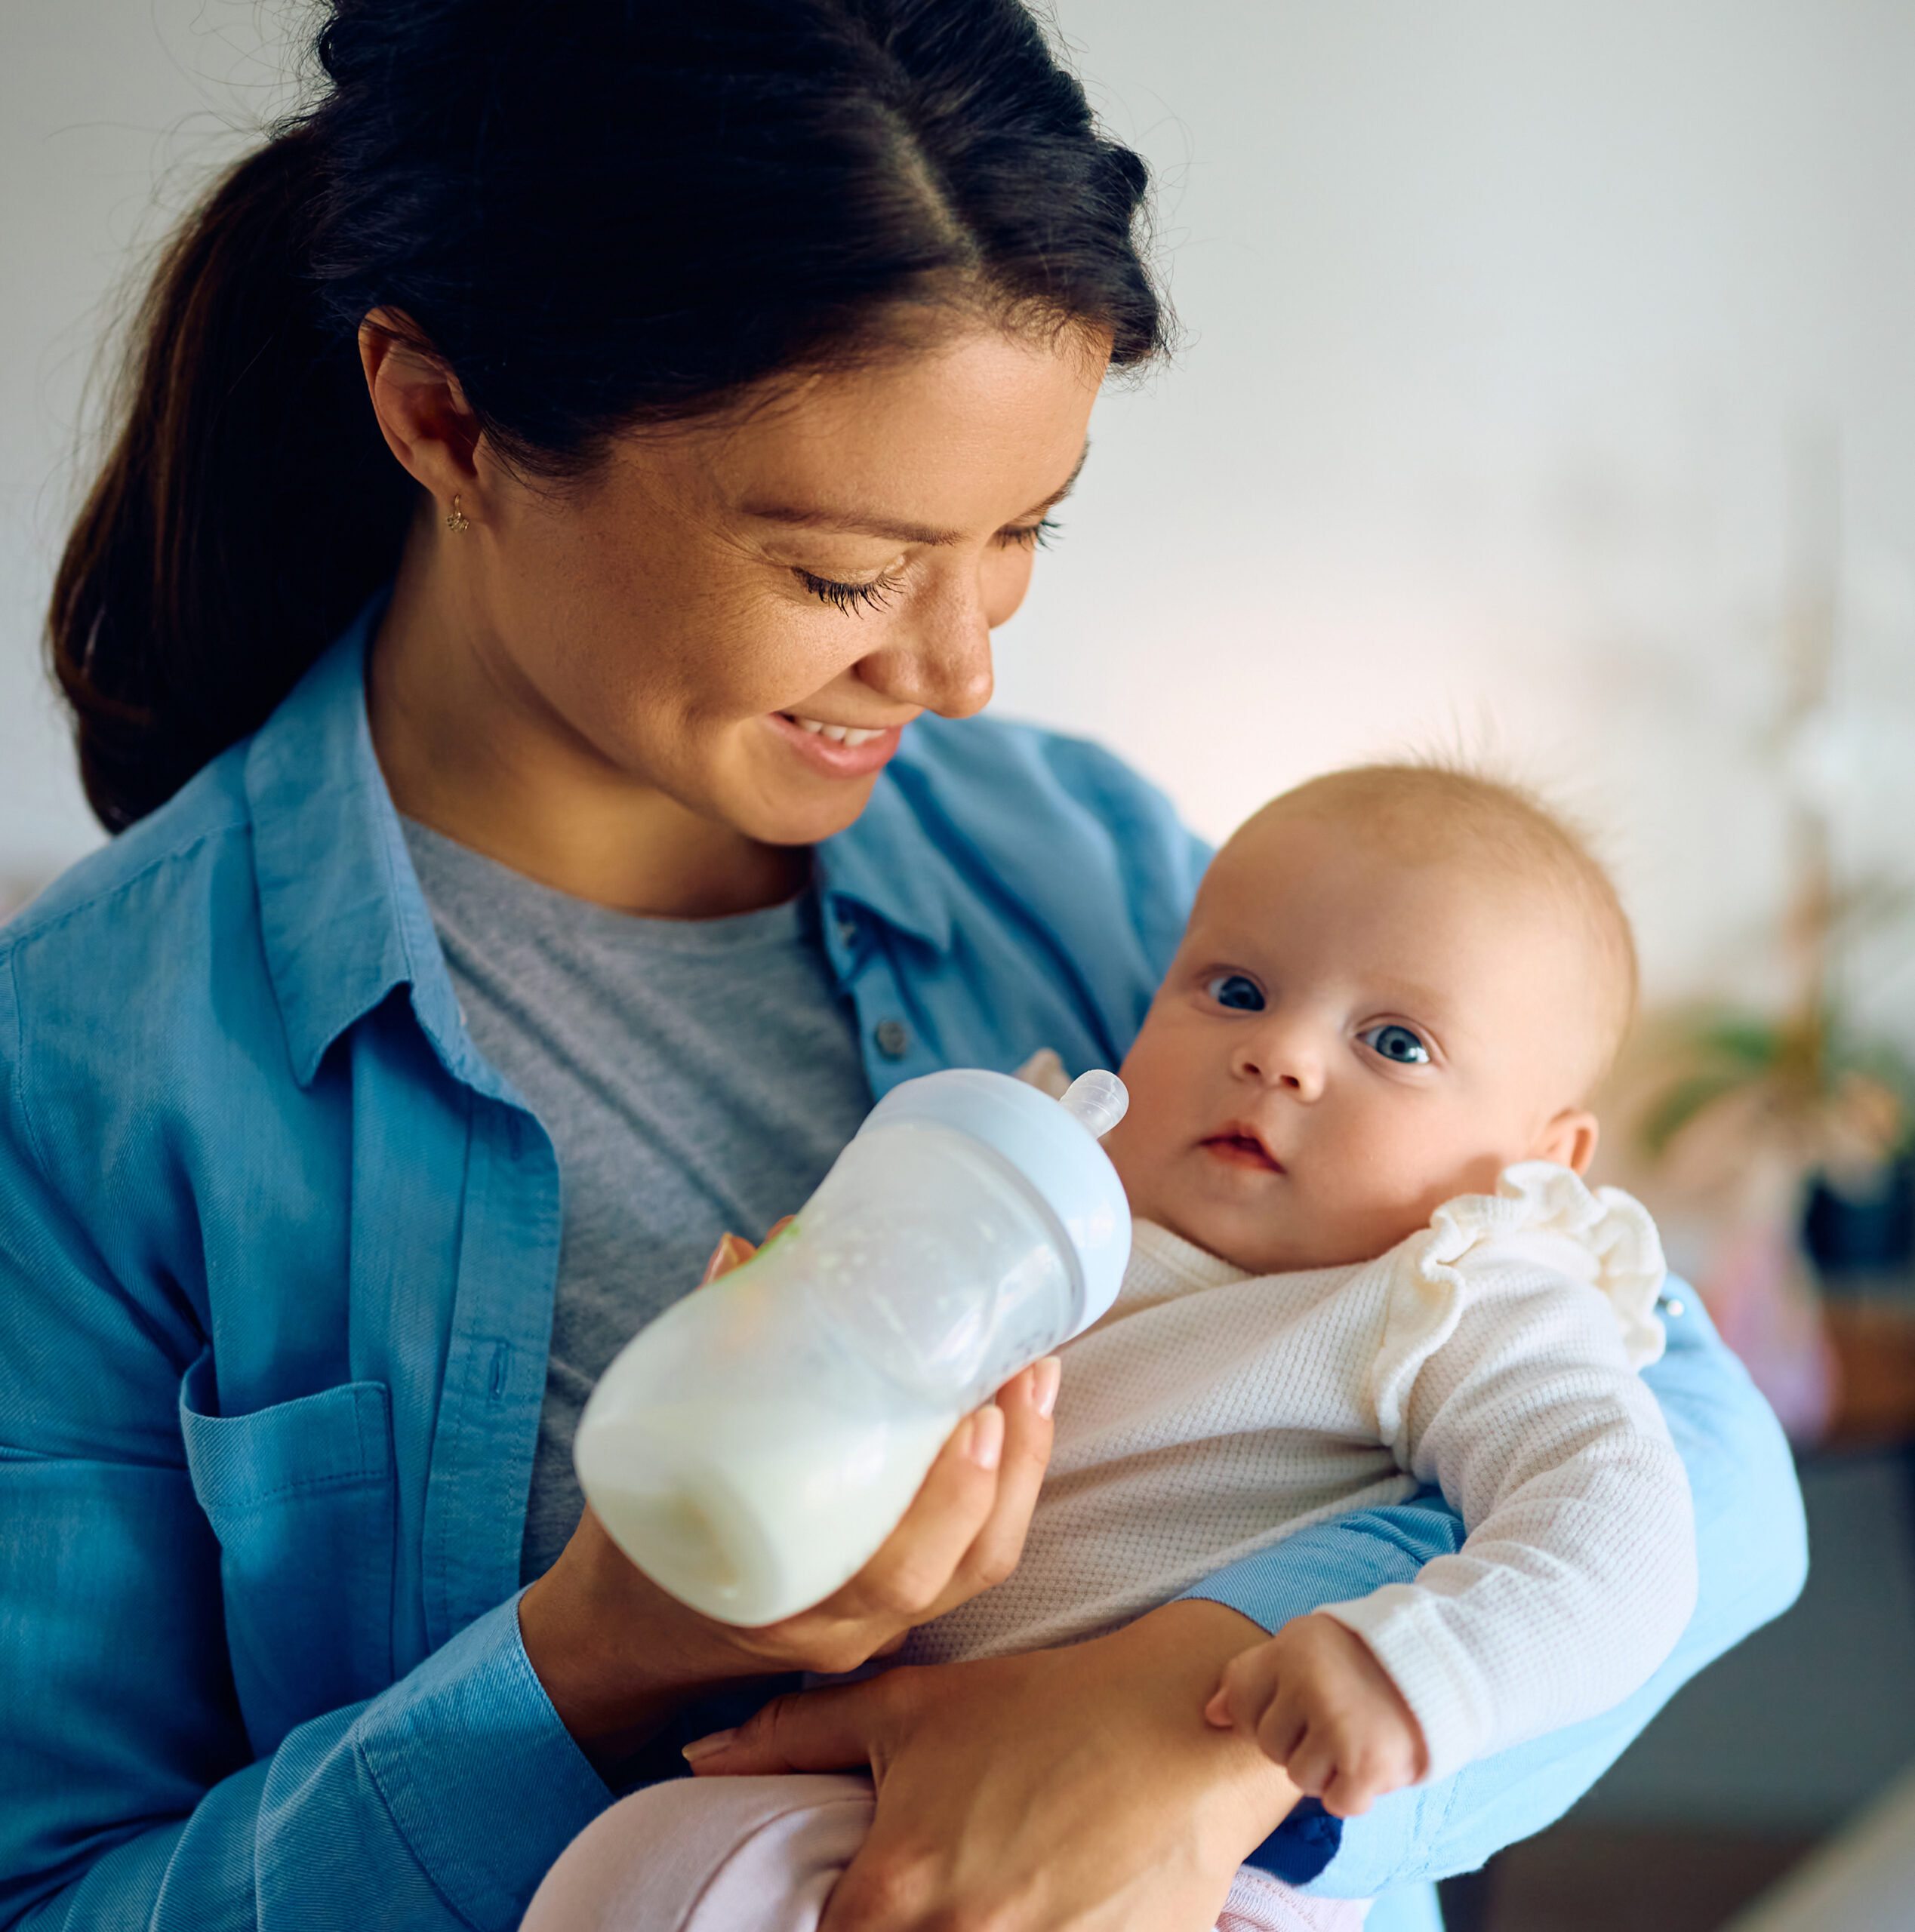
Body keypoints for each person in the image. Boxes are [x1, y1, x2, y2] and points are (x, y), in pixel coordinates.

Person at [0, 4, 1804, 1929]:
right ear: (442, 414)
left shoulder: (1086, 863)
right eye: (843, 573)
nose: (958, 675)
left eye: (1023, 530)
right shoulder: (96, 1073)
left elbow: (1695, 1467)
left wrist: (1174, 1727)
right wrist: (596, 1654)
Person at [522, 764, 1697, 1932]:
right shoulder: (1035, 1176)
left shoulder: (1458, 1292)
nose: (1279, 1054)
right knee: (633, 1872)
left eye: (1393, 1043)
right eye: (1234, 989)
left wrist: (1415, 1668)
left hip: (1203, 1864)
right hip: (873, 1778)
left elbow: (1620, 1522)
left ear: (1540, 1158)